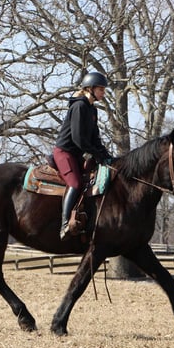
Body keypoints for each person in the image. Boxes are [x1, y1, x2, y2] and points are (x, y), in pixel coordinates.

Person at [52, 71, 114, 240]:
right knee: (76, 183)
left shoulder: (92, 110)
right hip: (64, 153)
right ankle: (65, 224)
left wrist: (106, 156)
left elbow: (95, 139)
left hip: (77, 154)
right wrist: (96, 154)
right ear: (90, 89)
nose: (103, 93)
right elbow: (78, 139)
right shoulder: (79, 106)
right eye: (101, 89)